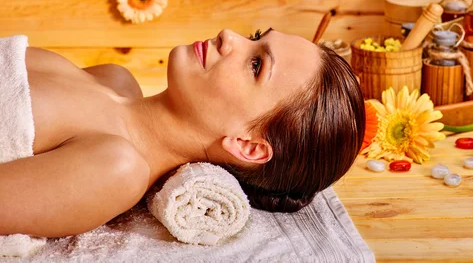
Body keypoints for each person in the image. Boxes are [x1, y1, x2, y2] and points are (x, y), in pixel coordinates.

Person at [0, 28, 365, 238]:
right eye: (255, 36)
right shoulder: (116, 79)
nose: (229, 36)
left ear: (247, 145)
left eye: (256, 64)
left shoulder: (115, 170)